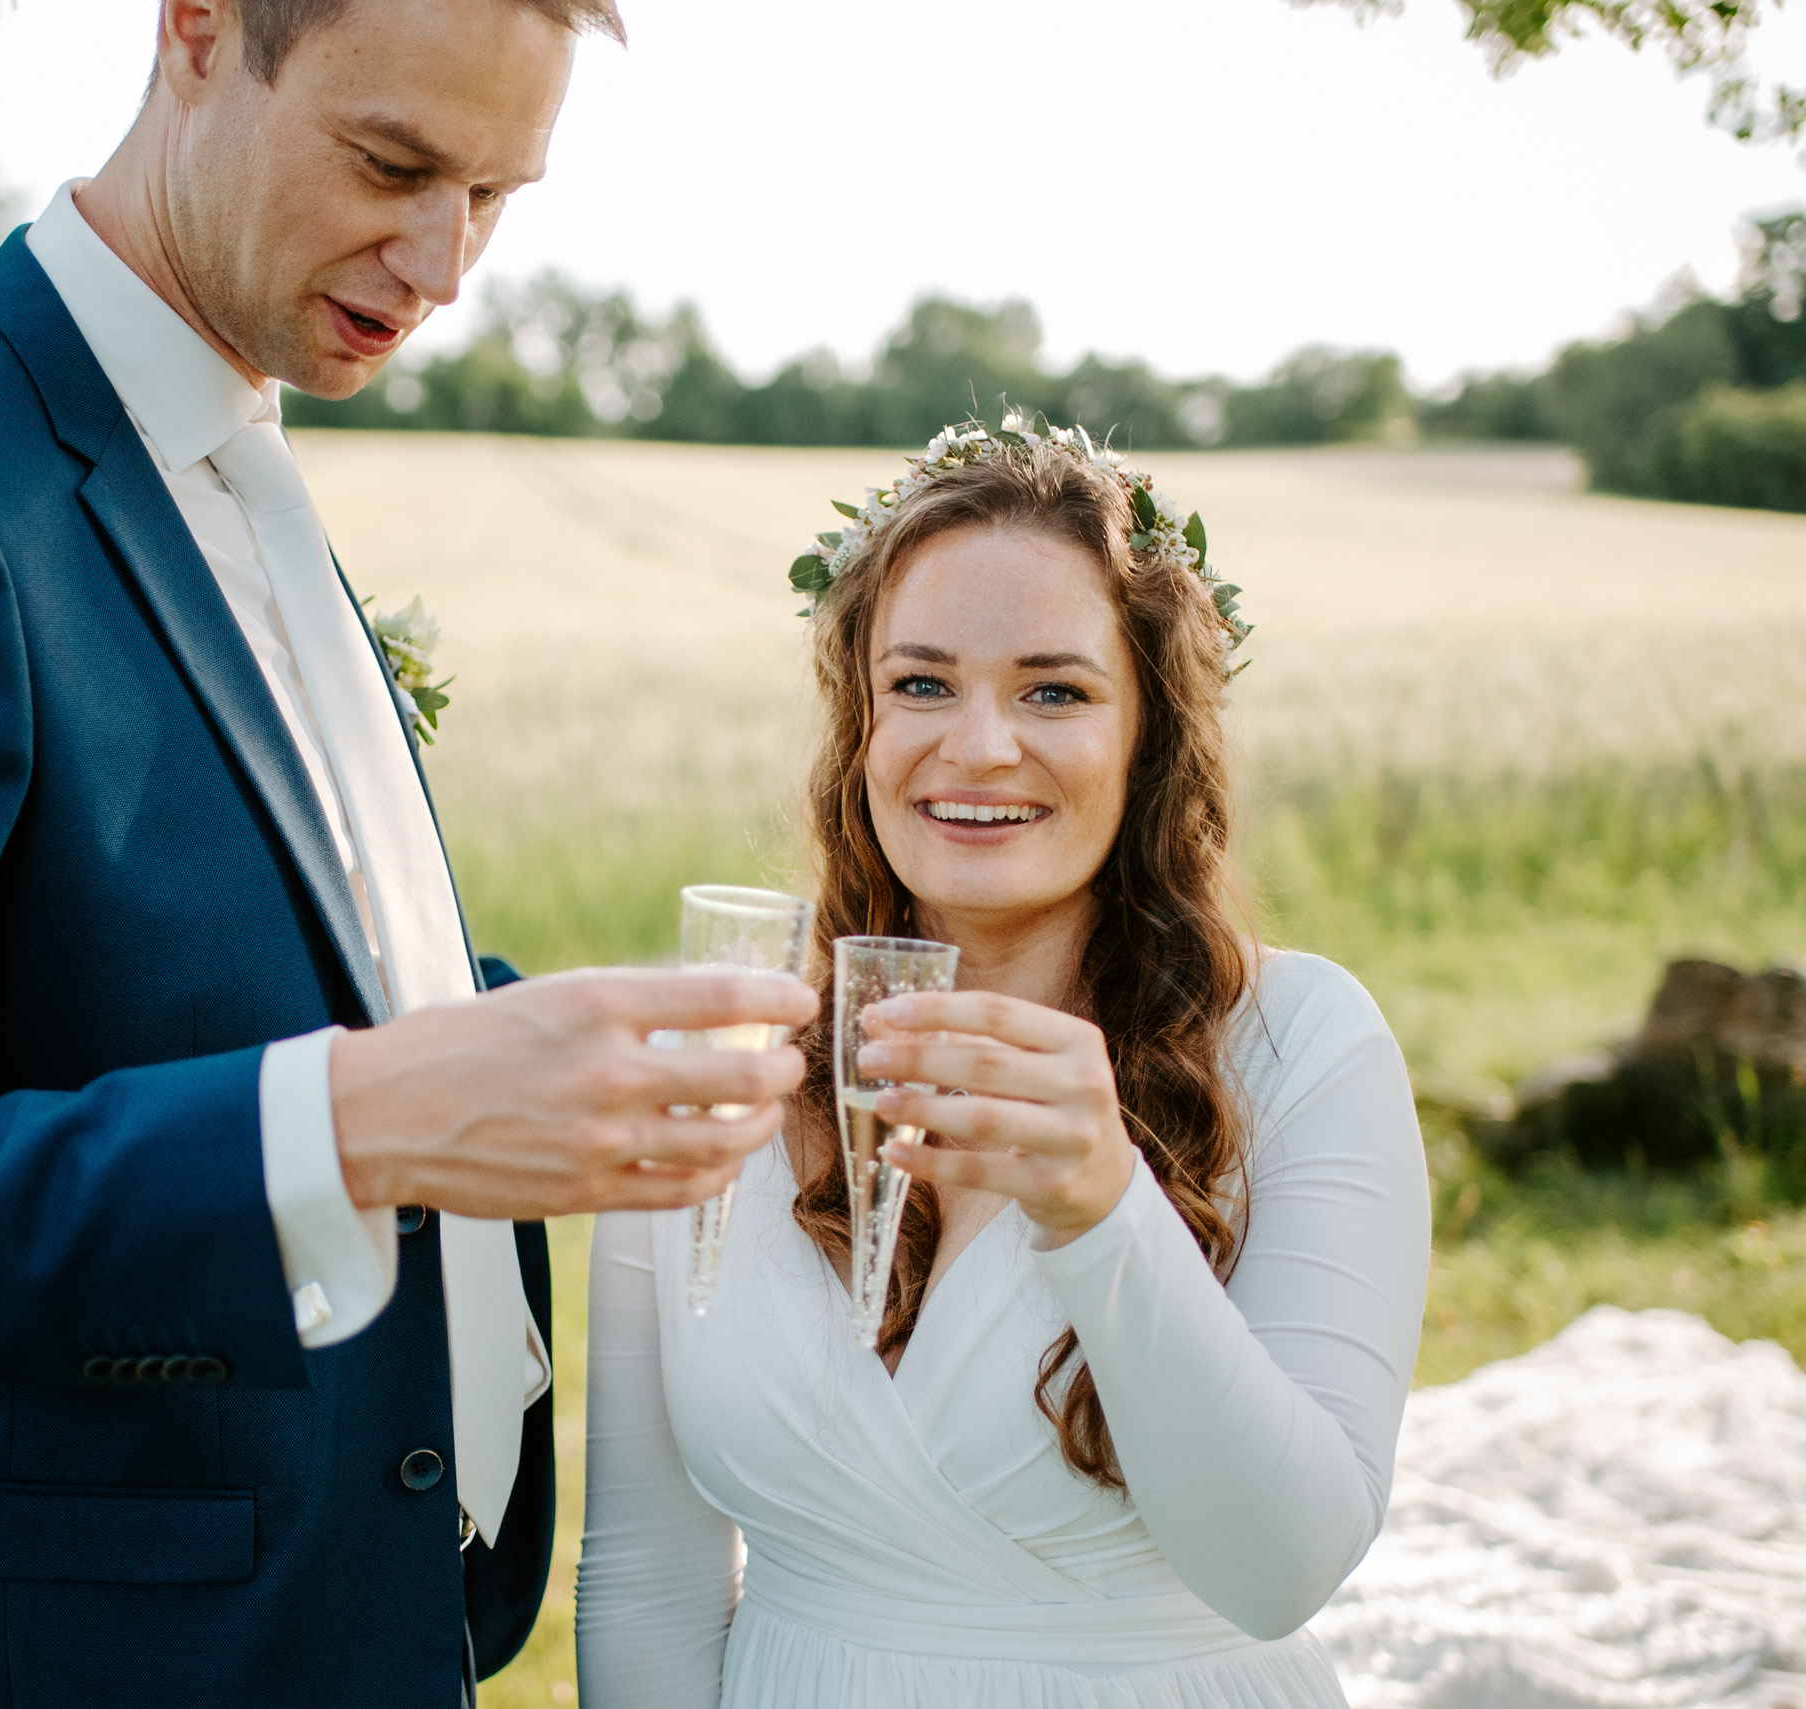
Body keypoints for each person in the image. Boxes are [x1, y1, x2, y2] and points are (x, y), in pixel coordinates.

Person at [0, 2, 815, 1704]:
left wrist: (574, 1050)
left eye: (497, 194)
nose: (444, 260)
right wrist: (357, 1118)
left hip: (368, 1623)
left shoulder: (231, 451)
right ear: (198, 26)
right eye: (395, 162)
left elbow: (227, 968)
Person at [574, 419, 1432, 1706]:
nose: (976, 746)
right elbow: (644, 1571)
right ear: (857, 722)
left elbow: (1282, 1567)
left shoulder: (1302, 1045)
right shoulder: (726, 1041)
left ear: (1150, 737)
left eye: (1053, 689)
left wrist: (1102, 1204)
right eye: (920, 684)